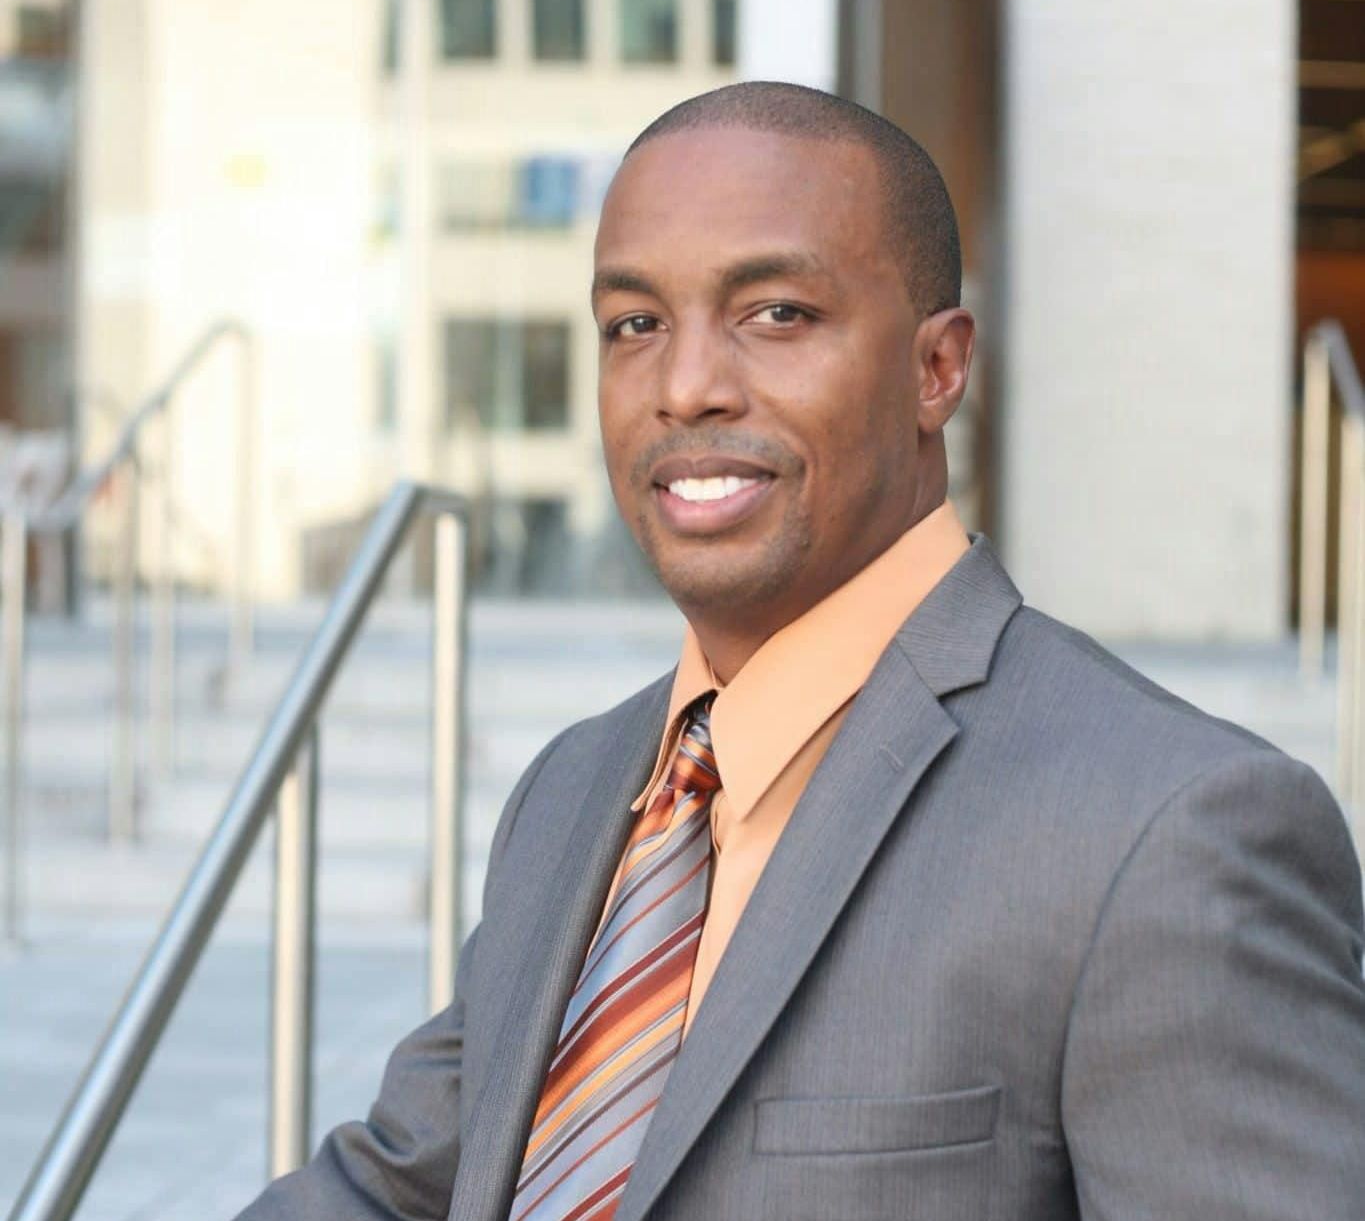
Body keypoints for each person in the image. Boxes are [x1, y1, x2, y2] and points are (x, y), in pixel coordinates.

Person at [237, 82, 1365, 1221]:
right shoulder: (577, 789)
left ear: (937, 370)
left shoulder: (1171, 832)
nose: (686, 387)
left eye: (775, 313)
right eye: (636, 324)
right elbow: (397, 1192)